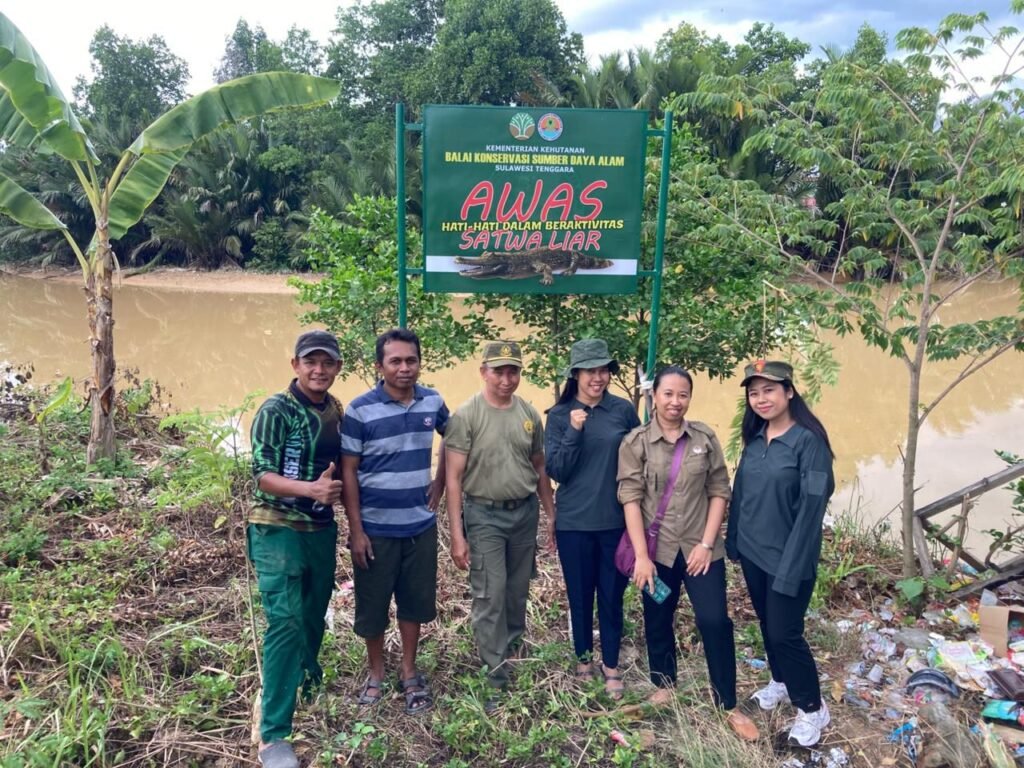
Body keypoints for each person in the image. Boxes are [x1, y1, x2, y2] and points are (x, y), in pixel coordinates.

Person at [617, 365, 758, 741]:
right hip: (657, 552)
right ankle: (664, 685)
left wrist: (707, 543)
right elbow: (630, 500)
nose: (675, 402)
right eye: (668, 394)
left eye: (682, 395)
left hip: (701, 550)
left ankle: (727, 701)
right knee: (657, 616)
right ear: (654, 396)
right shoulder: (636, 442)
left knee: (714, 621)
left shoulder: (704, 437)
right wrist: (642, 556)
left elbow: (719, 492)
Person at [726, 359, 835, 747]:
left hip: (790, 558)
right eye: (753, 393)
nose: (761, 399)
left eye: (769, 390)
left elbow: (812, 509)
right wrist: (733, 539)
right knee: (767, 624)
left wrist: (791, 567)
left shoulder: (809, 442)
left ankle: (812, 707)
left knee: (785, 633)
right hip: (755, 554)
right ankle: (781, 681)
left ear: (789, 392)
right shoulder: (755, 440)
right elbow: (741, 494)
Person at [248, 330, 344, 768]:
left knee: (312, 612)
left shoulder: (335, 410)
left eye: (327, 363)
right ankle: (273, 734)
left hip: (321, 529)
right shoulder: (276, 410)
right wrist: (311, 489)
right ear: (296, 365)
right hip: (277, 526)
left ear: (337, 368)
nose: (318, 370)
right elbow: (263, 475)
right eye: (311, 362)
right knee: (284, 619)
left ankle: (306, 674)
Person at [341, 328, 449, 715]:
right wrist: (356, 531)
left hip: (419, 526)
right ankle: (375, 673)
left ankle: (408, 670)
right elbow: (348, 472)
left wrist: (439, 481)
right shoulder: (359, 410)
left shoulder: (432, 401)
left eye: (411, 360)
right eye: (395, 361)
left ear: (420, 362)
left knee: (414, 604)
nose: (405, 368)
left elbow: (453, 441)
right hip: (375, 529)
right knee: (372, 606)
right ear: (379, 366)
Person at [445, 341, 556, 709]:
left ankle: (511, 648)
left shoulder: (528, 413)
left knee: (516, 589)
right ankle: (494, 673)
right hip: (485, 515)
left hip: (523, 513)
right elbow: (453, 479)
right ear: (483, 372)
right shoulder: (466, 415)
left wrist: (549, 514)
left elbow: (539, 467)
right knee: (489, 593)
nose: (507, 379)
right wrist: (457, 536)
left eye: (514, 371)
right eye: (499, 371)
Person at [544, 339, 640, 699]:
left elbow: (638, 461)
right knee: (580, 596)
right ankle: (583, 660)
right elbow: (558, 472)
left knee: (612, 596)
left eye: (603, 370)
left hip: (615, 522)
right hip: (573, 524)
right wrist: (574, 430)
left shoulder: (623, 411)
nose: (598, 378)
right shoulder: (558, 415)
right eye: (590, 371)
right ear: (576, 374)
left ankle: (611, 665)